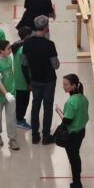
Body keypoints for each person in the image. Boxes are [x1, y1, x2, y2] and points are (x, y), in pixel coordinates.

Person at [21, 16, 60, 145]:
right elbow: (55, 65)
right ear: (46, 27)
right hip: (49, 80)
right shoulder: (49, 44)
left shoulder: (27, 43)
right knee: (47, 108)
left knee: (35, 106)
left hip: (35, 80)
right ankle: (46, 136)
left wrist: (28, 81)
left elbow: (24, 63)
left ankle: (35, 135)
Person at [54, 74, 89, 188]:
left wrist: (59, 111)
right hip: (81, 131)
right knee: (76, 157)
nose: (63, 86)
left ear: (73, 86)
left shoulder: (70, 102)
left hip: (72, 135)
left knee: (73, 159)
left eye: (66, 84)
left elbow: (67, 121)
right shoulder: (83, 98)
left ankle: (76, 184)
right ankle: (77, 181)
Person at [0, 41, 19, 150]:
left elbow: (9, 75)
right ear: (1, 51)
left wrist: (11, 91)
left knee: (11, 117)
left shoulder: (9, 58)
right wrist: (6, 94)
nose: (10, 50)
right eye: (8, 49)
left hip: (11, 93)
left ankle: (13, 139)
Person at [11, 26, 33, 130]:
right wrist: (29, 83)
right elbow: (24, 68)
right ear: (28, 36)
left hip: (17, 79)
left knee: (19, 100)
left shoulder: (17, 45)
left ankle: (18, 118)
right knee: (23, 102)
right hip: (23, 81)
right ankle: (19, 120)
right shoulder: (24, 49)